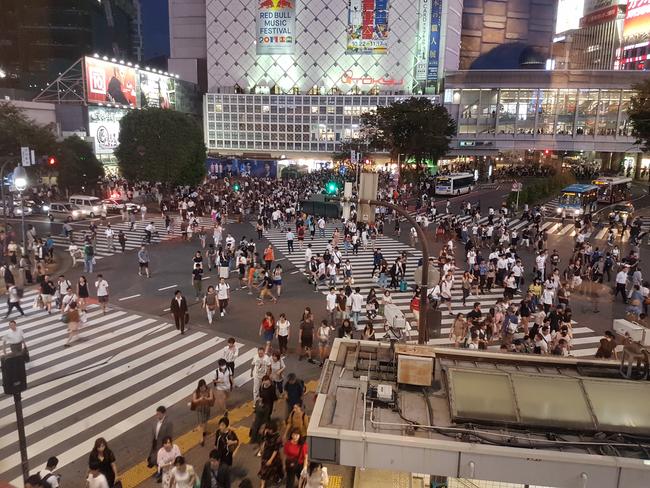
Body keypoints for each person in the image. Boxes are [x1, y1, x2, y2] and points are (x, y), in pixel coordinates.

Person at [148, 406, 174, 476]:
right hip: (155, 443)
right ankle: (159, 471)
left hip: (163, 444)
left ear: (164, 413)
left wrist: (167, 445)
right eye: (157, 414)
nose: (157, 415)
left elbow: (169, 435)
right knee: (154, 458)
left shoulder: (168, 423)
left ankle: (163, 472)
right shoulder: (156, 421)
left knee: (162, 459)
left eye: (159, 414)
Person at [258, 421, 284, 488]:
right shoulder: (266, 433)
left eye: (269, 429)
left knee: (276, 469)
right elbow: (263, 441)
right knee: (263, 469)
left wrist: (270, 460)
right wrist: (261, 450)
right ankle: (262, 485)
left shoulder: (277, 437)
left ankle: (277, 477)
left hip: (274, 456)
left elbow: (276, 450)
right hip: (266, 454)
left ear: (272, 429)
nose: (267, 430)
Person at [192, 379, 215, 446]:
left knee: (205, 421)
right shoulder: (196, 391)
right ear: (199, 387)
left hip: (206, 408)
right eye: (201, 387)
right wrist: (199, 399)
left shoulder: (209, 389)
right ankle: (201, 438)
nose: (203, 389)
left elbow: (211, 398)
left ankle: (204, 431)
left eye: (204, 387)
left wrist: (205, 398)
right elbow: (194, 400)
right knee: (202, 422)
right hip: (200, 409)